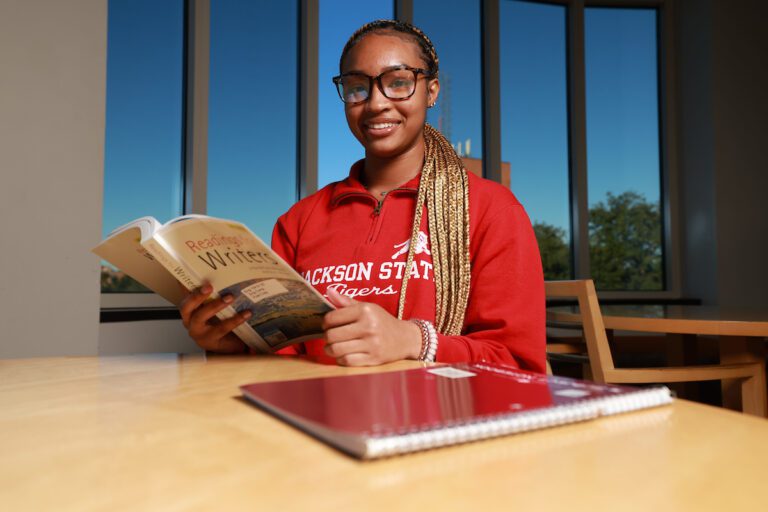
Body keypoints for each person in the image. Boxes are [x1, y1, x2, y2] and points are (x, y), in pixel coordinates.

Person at [179, 20, 546, 372]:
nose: (375, 103)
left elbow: (518, 363)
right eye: (357, 87)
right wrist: (229, 344)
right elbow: (281, 357)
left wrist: (412, 340)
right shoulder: (299, 221)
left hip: (435, 422)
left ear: (432, 91)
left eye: (398, 83)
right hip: (313, 416)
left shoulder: (491, 209)